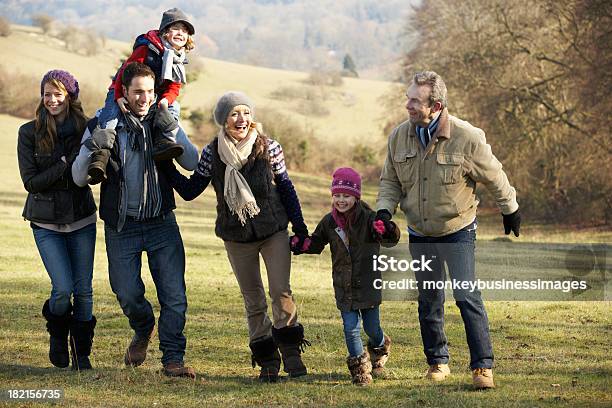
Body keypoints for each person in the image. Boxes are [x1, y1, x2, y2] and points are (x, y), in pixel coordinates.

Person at [376, 71, 521, 389]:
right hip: (420, 232)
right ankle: (437, 362)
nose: (408, 104)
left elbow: (494, 175)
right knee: (428, 298)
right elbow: (390, 181)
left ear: (435, 105)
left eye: (414, 100)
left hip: (458, 229)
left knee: (467, 296)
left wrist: (510, 209)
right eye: (408, 97)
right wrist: (385, 211)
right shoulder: (399, 136)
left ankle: (483, 367)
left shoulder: (466, 137)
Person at [161, 91, 311, 383]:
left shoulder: (270, 148)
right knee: (253, 299)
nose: (241, 119)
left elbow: (286, 189)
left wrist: (301, 228)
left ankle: (291, 353)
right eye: (234, 113)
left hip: (273, 231)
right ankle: (268, 359)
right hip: (236, 235)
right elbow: (192, 190)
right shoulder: (212, 152)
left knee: (281, 291)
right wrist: (166, 167)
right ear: (224, 120)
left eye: (245, 112)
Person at [72, 62, 198, 378]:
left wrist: (171, 127)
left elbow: (193, 161)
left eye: (149, 92)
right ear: (124, 93)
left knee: (174, 296)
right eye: (138, 92)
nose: (144, 98)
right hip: (122, 226)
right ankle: (144, 328)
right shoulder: (103, 123)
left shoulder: (162, 120)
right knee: (126, 292)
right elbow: (77, 177)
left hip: (161, 223)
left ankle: (173, 359)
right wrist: (96, 140)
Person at [17, 70, 97, 370]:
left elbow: (87, 175)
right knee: (62, 289)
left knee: (84, 289)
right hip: (45, 221)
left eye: (58, 94)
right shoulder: (28, 133)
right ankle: (57, 333)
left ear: (70, 97)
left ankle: (83, 354)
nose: (51, 100)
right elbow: (31, 183)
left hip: (81, 218)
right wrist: (65, 163)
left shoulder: (85, 129)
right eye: (47, 94)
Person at [291, 167, 400, 386]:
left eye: (346, 196)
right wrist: (302, 244)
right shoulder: (329, 222)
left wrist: (386, 229)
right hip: (344, 286)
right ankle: (360, 371)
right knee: (350, 328)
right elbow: (317, 243)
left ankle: (381, 345)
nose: (341, 200)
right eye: (337, 195)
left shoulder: (369, 219)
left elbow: (390, 240)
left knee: (371, 328)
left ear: (356, 196)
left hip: (368, 284)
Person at [88, 7, 197, 183]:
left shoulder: (178, 59)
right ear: (165, 31)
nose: (181, 33)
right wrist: (118, 95)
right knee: (112, 116)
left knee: (173, 108)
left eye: (185, 31)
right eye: (176, 28)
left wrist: (165, 101)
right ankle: (101, 155)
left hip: (152, 96)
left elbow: (174, 87)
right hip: (121, 88)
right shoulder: (148, 48)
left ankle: (164, 141)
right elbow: (125, 71)